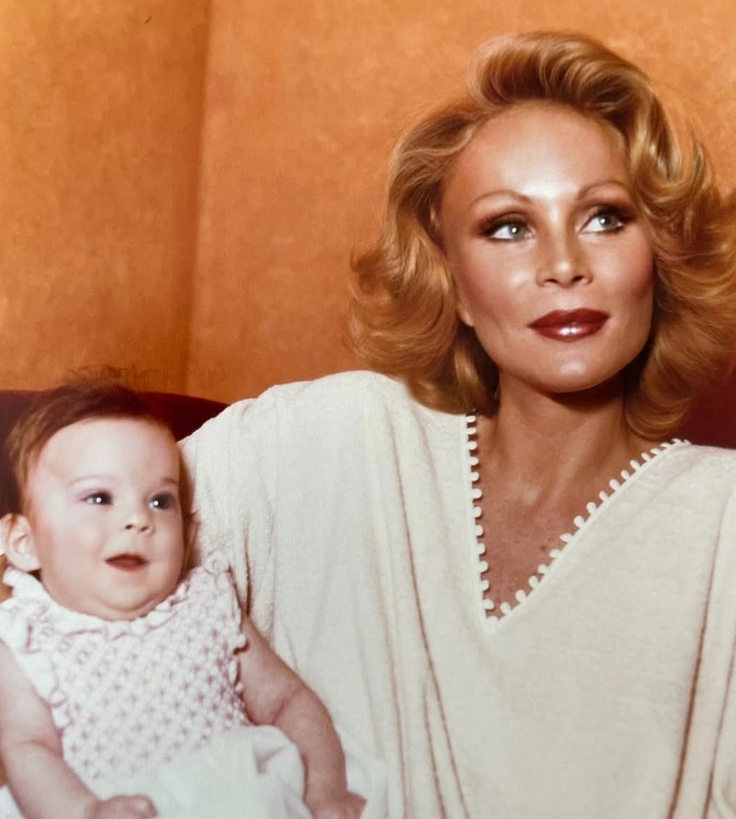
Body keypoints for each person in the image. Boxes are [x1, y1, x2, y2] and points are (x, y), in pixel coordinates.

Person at [182, 31, 736, 818]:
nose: (563, 264)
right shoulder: (329, 441)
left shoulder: (721, 521)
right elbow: (48, 577)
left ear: (662, 256)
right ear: (454, 284)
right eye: (508, 226)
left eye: (606, 217)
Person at [0, 379, 370, 819]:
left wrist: (324, 788)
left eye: (160, 501)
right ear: (24, 543)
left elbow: (289, 701)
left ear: (188, 530)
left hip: (244, 798)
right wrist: (85, 811)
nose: (138, 518)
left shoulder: (207, 605)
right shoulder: (27, 640)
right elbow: (28, 750)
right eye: (100, 497)